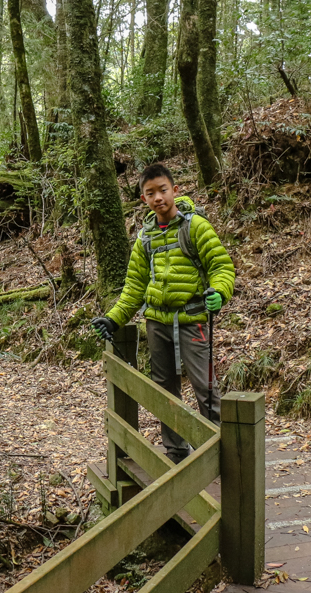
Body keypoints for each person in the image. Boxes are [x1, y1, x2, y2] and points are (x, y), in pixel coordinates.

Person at [91, 163, 235, 463]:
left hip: (193, 319)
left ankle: (216, 452)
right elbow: (133, 288)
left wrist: (219, 292)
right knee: (164, 389)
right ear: (143, 199)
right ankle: (176, 451)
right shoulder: (145, 237)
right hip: (157, 322)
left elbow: (221, 266)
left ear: (175, 190)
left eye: (163, 190)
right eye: (150, 193)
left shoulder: (195, 227)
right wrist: (113, 318)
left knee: (205, 386)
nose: (158, 198)